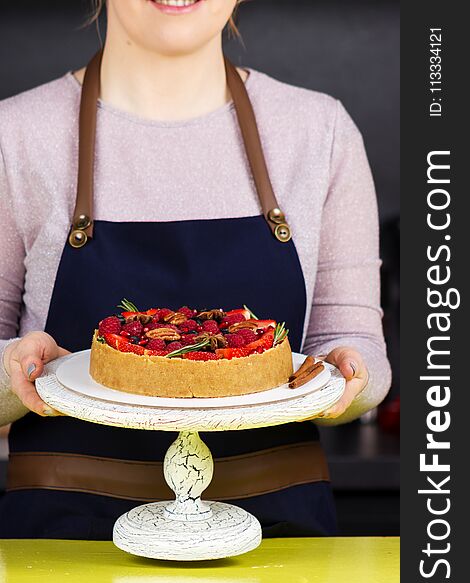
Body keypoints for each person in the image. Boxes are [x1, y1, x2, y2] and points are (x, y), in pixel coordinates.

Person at [0, 0, 391, 539]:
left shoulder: (319, 132)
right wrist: (15, 371)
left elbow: (356, 350)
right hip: (65, 545)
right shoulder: (14, 134)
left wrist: (352, 373)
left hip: (278, 548)